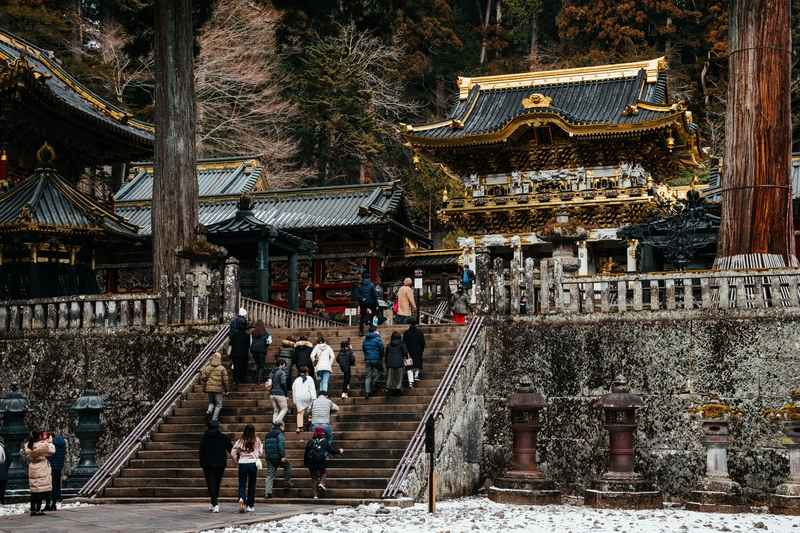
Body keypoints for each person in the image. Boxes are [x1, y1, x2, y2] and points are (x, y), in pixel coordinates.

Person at [199, 420, 233, 513]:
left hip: (208, 464)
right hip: (220, 464)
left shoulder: (204, 438)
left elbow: (201, 452)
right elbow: (231, 448)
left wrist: (202, 463)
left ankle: (214, 503)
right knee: (217, 483)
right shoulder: (223, 437)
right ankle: (214, 502)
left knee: (211, 484)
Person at [304, 426, 343, 499]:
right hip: (321, 461)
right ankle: (322, 483)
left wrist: (306, 463)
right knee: (323, 472)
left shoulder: (310, 441)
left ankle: (315, 495)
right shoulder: (325, 441)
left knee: (314, 478)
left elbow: (306, 453)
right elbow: (331, 450)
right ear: (322, 434)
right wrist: (339, 451)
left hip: (311, 462)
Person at [231, 424, 262, 513]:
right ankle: (250, 506)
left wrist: (237, 460)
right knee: (252, 484)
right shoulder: (257, 440)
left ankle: (242, 498)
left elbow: (233, 452)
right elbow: (260, 452)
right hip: (252, 463)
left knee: (242, 484)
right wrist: (256, 455)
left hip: (242, 464)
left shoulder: (240, 440)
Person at [24, 430, 54, 516]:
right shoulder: (43, 445)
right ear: (39, 437)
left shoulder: (28, 445)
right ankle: (38, 509)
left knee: (34, 490)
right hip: (41, 467)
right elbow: (52, 451)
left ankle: (33, 509)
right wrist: (49, 441)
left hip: (32, 467)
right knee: (40, 490)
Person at [264, 423, 292, 498]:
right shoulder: (280, 434)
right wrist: (283, 456)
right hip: (278, 457)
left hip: (269, 457)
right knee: (287, 466)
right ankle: (287, 483)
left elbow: (265, 446)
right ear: (280, 427)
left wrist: (267, 456)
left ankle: (267, 492)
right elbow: (281, 445)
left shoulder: (267, 435)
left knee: (270, 475)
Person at [201, 351, 229, 422]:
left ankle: (209, 411)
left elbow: (203, 378)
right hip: (218, 389)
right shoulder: (222, 368)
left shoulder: (207, 368)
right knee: (218, 404)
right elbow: (225, 380)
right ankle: (214, 419)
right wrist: (226, 390)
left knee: (211, 402)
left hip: (209, 388)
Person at [291, 367, 317, 433]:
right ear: (307, 372)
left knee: (300, 413)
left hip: (298, 397)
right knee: (310, 411)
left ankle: (299, 428)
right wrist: (314, 398)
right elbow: (312, 388)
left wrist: (294, 400)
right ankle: (309, 420)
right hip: (307, 396)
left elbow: (293, 389)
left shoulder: (296, 380)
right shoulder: (310, 378)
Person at [362, 325, 384, 400]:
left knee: (368, 376)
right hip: (376, 358)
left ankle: (367, 392)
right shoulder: (378, 338)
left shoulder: (365, 339)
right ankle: (374, 382)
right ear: (375, 331)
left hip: (368, 359)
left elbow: (364, 349)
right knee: (381, 371)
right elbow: (381, 348)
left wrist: (367, 355)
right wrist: (381, 356)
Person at [229, 308, 251, 384]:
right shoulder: (247, 335)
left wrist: (230, 353)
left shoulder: (234, 335)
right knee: (243, 367)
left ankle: (236, 380)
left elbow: (231, 344)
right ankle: (242, 379)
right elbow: (248, 345)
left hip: (235, 353)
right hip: (243, 354)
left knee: (236, 367)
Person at [45, 434, 66, 511]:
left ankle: (50, 504)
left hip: (52, 467)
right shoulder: (62, 443)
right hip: (59, 466)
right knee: (56, 484)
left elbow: (49, 455)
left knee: (50, 486)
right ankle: (54, 502)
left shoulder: (52, 444)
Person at [403, 317, 426, 383]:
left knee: (409, 366)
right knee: (417, 364)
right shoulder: (419, 332)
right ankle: (416, 376)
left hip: (409, 351)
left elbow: (404, 343)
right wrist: (421, 350)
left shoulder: (406, 333)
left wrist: (406, 352)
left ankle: (410, 380)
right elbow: (422, 342)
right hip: (418, 351)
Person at [267, 359, 289, 427]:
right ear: (281, 364)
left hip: (272, 394)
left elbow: (269, 383)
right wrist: (286, 393)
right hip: (280, 393)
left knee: (276, 410)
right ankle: (277, 421)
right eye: (284, 365)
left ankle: (274, 425)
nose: (285, 367)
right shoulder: (282, 372)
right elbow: (283, 383)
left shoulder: (272, 372)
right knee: (285, 408)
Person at [0, 435, 7, 505]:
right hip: (2, 471)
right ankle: (2, 500)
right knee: (2, 487)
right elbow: (3, 459)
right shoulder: (2, 447)